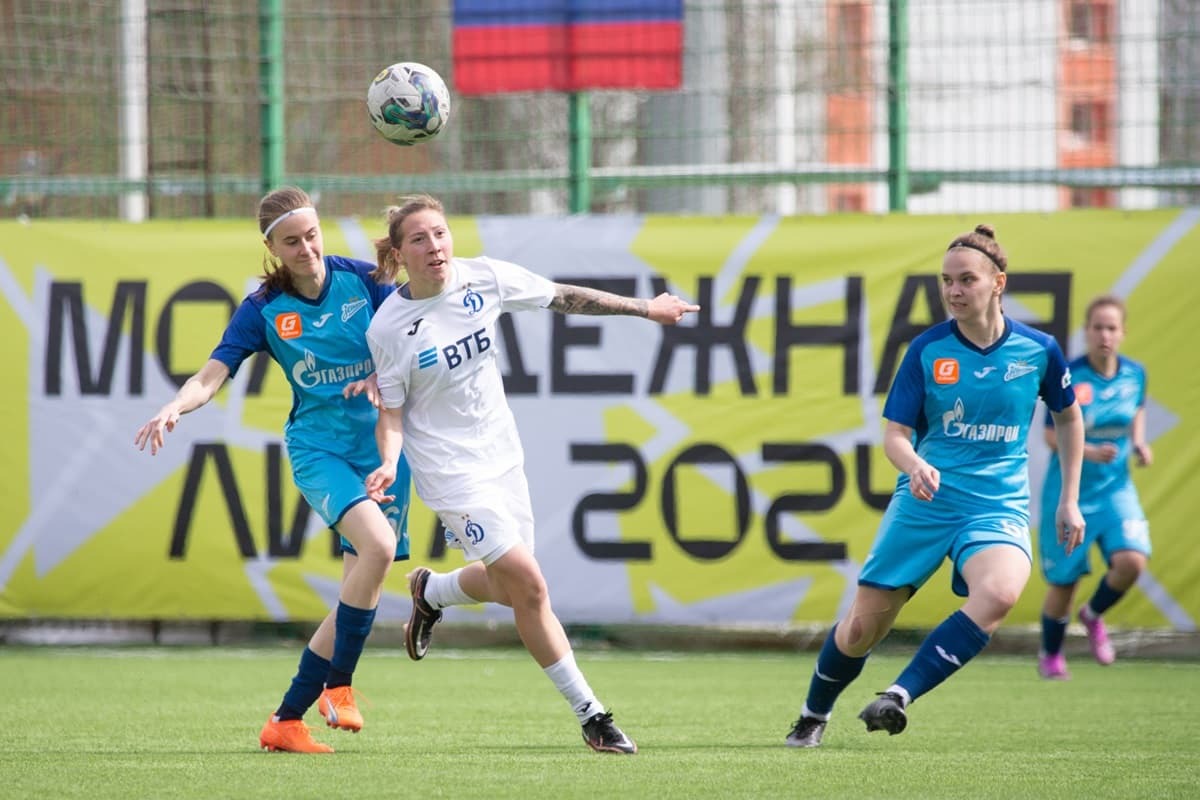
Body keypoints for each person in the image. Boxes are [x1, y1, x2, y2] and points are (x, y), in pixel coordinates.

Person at [361, 194, 699, 755]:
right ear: (399, 253)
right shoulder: (389, 328)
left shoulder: (484, 278)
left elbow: (564, 297)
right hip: (449, 471)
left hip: (502, 455)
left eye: (440, 234)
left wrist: (646, 308)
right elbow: (391, 413)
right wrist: (389, 461)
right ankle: (593, 715)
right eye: (418, 239)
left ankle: (432, 590)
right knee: (532, 586)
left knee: (509, 586)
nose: (434, 247)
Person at [784, 224, 1086, 748]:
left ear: (998, 283)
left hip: (997, 505)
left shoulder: (1039, 350)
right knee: (860, 632)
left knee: (1000, 592)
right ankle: (813, 713)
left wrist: (1068, 501)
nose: (953, 290)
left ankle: (898, 695)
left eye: (966, 279)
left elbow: (1070, 418)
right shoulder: (927, 350)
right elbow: (895, 436)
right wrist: (915, 465)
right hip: (925, 503)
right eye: (946, 281)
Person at [133, 186, 412, 754]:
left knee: (357, 593)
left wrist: (388, 378)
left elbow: (413, 340)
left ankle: (285, 721)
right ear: (272, 247)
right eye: (292, 241)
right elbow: (210, 376)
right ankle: (340, 687)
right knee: (378, 550)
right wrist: (174, 405)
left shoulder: (364, 282)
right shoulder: (264, 309)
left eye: (312, 235)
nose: (306, 247)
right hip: (319, 451)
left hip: (383, 449)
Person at [1036, 295, 1152, 679]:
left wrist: (1139, 441)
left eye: (1112, 328)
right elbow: (1052, 434)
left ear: (1122, 333)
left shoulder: (1135, 374)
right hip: (1071, 492)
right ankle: (1051, 655)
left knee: (1132, 561)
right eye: (1097, 327)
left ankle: (1093, 614)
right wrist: (1085, 451)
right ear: (1086, 332)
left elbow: (1137, 409)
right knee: (1064, 583)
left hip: (1116, 490)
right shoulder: (1070, 375)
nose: (1104, 335)